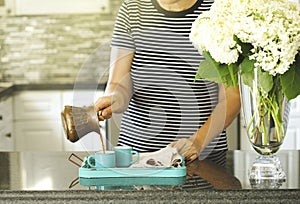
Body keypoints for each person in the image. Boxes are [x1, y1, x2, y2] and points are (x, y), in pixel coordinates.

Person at [94, 0, 240, 189]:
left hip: (201, 162)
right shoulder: (132, 10)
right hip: (138, 161)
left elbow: (232, 97)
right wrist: (115, 99)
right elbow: (118, 82)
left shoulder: (219, 11)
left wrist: (197, 141)